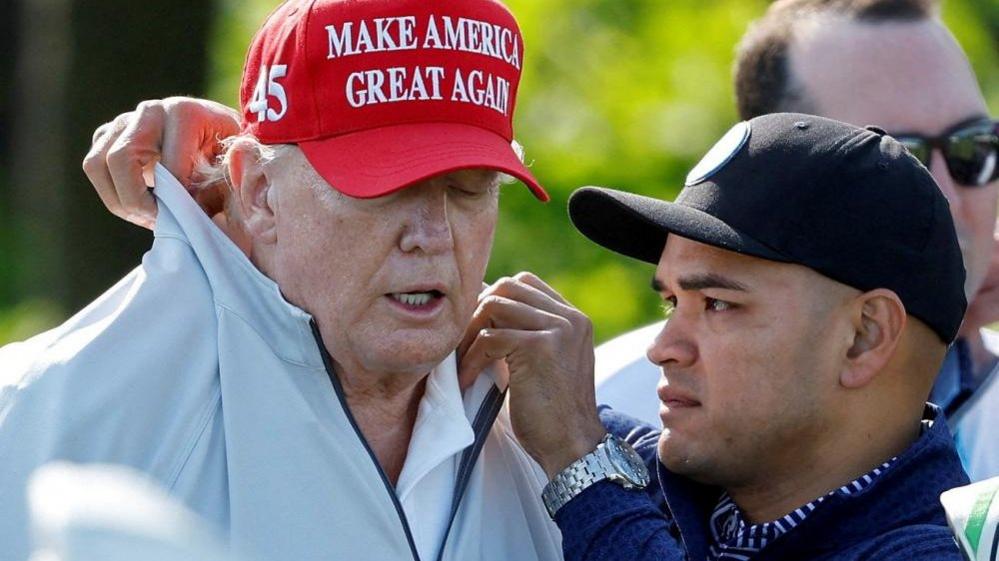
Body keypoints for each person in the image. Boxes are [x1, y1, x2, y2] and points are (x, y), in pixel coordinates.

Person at [0, 1, 566, 561]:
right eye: (383, 187)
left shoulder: (561, 436)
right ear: (258, 192)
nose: (433, 235)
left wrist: (589, 465)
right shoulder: (46, 416)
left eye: (469, 189)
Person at [459, 113, 970, 560]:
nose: (662, 348)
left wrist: (579, 458)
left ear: (864, 337)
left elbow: (582, 443)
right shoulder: (687, 478)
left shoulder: (940, 550)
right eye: (672, 302)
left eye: (719, 304)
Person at [593, 0, 999, 483]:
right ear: (767, 161)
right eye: (897, 160)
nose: (947, 198)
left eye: (973, 148)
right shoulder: (618, 404)